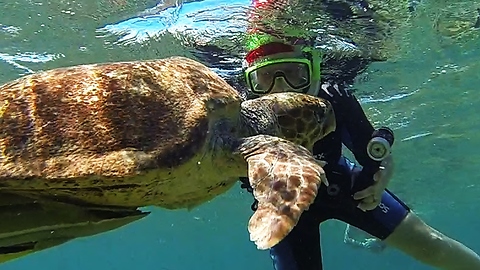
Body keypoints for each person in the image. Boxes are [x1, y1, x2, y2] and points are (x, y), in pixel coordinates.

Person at [234, 0, 480, 269]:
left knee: (432, 244)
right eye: (264, 78)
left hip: (349, 189)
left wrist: (380, 179)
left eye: (295, 74)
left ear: (315, 71)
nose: (280, 89)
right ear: (249, 82)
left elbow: (377, 153)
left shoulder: (334, 99)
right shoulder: (239, 112)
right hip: (281, 206)